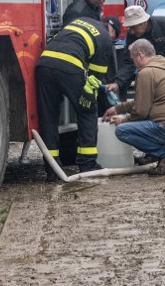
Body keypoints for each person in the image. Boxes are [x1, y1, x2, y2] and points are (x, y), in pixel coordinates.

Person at [108, 5, 165, 163]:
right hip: (157, 69)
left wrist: (159, 69)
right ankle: (163, 152)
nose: (130, 31)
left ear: (143, 23)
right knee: (160, 108)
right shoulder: (133, 36)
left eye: (133, 27)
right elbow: (128, 62)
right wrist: (118, 82)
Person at [102, 39, 165, 175]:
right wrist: (118, 109)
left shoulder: (146, 73)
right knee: (158, 122)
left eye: (133, 58)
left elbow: (141, 111)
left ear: (141, 55)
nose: (133, 63)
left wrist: (123, 119)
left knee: (122, 131)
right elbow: (143, 100)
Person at [36, 17, 116, 178]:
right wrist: (88, 96)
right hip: (69, 66)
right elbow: (95, 77)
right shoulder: (106, 38)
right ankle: (88, 164)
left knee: (49, 117)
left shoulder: (80, 22)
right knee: (87, 110)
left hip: (44, 64)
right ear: (112, 31)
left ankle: (52, 169)